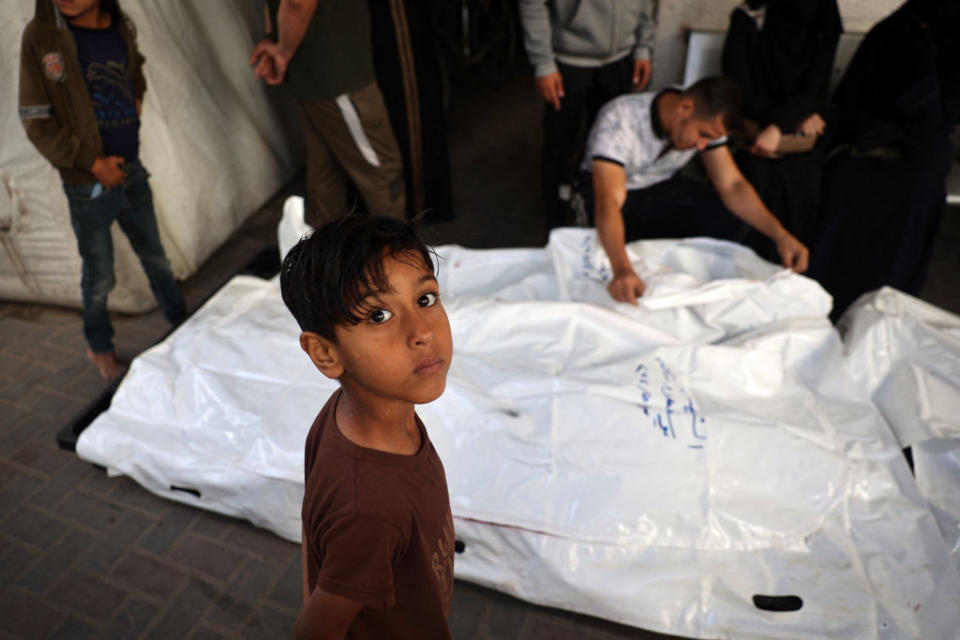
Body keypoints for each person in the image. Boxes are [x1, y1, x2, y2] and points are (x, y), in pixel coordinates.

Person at [280, 215, 455, 639]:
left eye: (426, 299)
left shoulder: (346, 415)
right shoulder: (372, 511)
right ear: (325, 353)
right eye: (379, 315)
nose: (422, 332)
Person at [18, 0, 187, 381]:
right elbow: (36, 122)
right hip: (88, 185)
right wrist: (93, 164)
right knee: (99, 277)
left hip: (131, 169)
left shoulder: (118, 24)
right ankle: (100, 347)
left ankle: (185, 325)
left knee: (156, 258)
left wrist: (135, 100)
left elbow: (134, 69)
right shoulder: (42, 37)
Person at [580, 76, 810, 304]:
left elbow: (732, 185)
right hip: (609, 190)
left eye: (709, 139)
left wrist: (781, 236)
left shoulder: (701, 113)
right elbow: (608, 200)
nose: (702, 146)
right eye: (703, 135)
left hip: (659, 186)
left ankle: (691, 290)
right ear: (684, 108)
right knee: (618, 251)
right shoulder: (619, 117)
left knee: (730, 218)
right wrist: (621, 269)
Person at [808, 0, 960, 320]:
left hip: (914, 171)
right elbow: (869, 111)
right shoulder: (899, 38)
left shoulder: (935, 37)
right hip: (869, 162)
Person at [251, 0, 406, 226]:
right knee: (381, 175)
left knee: (325, 173)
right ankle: (395, 255)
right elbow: (297, 3)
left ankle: (327, 257)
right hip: (338, 76)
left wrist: (276, 42)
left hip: (320, 72)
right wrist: (282, 51)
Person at [519, 0, 656, 232]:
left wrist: (643, 46)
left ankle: (596, 210)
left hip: (622, 57)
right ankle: (557, 219)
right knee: (561, 140)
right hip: (569, 59)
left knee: (611, 143)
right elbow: (533, 4)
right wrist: (543, 62)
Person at [721, 0, 842, 260]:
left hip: (798, 132)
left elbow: (817, 83)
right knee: (754, 190)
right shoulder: (750, 16)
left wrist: (784, 125)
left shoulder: (824, 13)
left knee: (803, 194)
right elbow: (738, 85)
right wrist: (776, 124)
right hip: (752, 129)